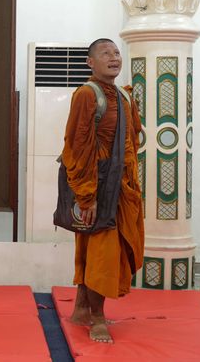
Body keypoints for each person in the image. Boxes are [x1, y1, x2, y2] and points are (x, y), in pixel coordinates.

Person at [60, 38, 144, 343]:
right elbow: (77, 145)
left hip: (122, 189)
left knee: (94, 251)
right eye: (105, 53)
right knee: (101, 255)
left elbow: (132, 142)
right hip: (97, 188)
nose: (114, 57)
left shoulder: (123, 96)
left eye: (116, 52)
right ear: (90, 63)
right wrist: (87, 195)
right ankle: (97, 318)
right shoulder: (87, 94)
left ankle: (82, 307)